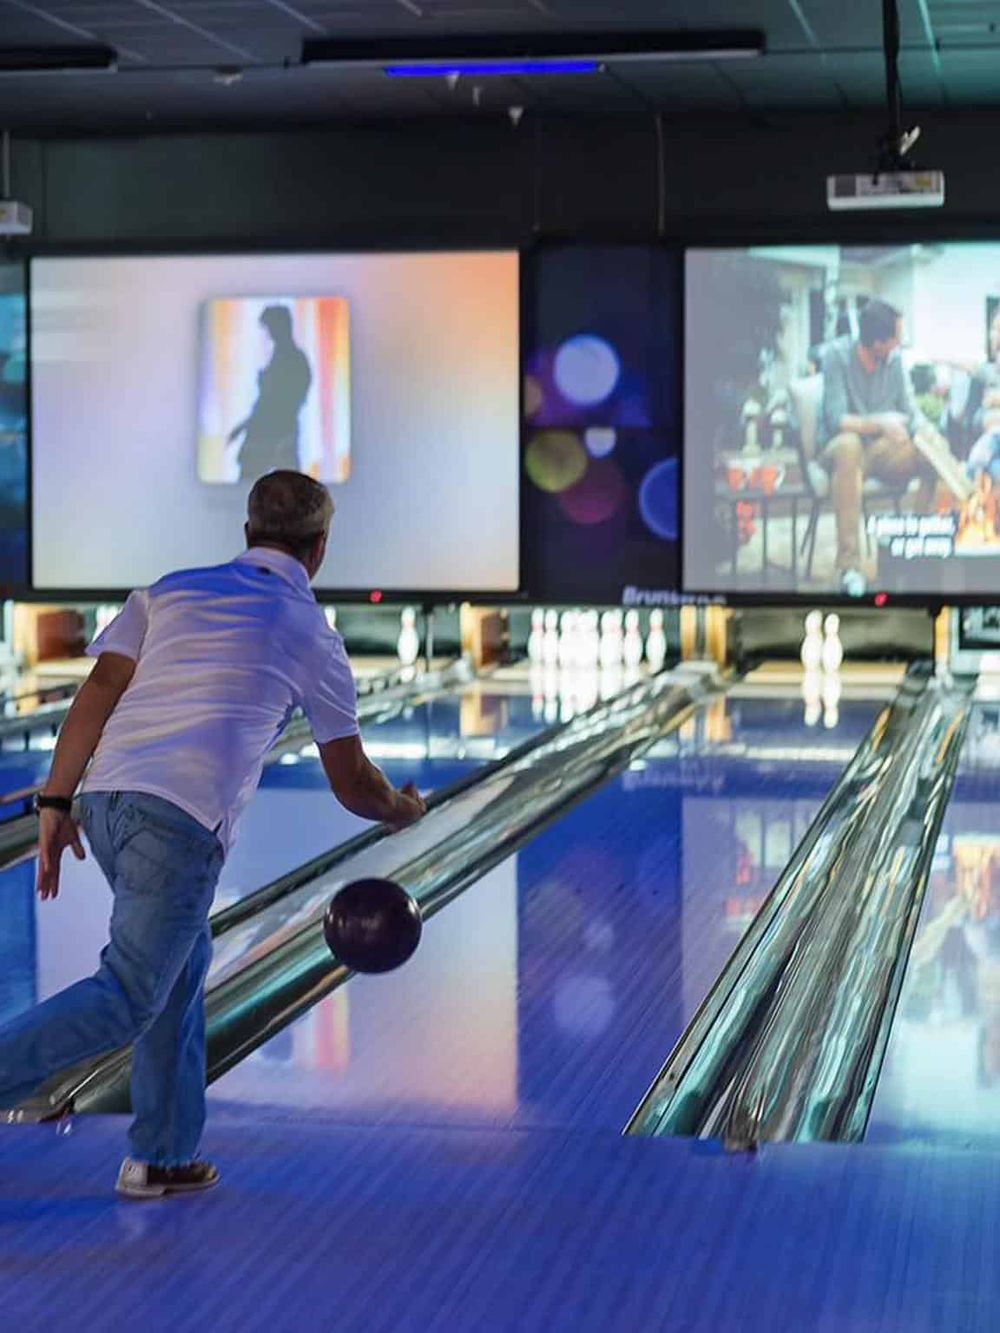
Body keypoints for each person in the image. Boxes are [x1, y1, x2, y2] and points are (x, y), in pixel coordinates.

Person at [0, 471, 426, 1199]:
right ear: (319, 549)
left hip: (105, 801)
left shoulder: (169, 590)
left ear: (246, 534)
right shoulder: (310, 632)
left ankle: (162, 1154)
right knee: (131, 992)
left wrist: (56, 798)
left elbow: (97, 691)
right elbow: (352, 778)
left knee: (181, 968)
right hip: (178, 820)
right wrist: (401, 810)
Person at [820, 299, 939, 597]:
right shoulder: (835, 356)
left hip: (883, 453)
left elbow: (912, 413)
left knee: (931, 449)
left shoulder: (895, 361)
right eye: (895, 338)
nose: (900, 344)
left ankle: (915, 544)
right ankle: (849, 568)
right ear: (876, 342)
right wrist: (881, 422)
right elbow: (836, 419)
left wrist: (926, 432)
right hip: (843, 449)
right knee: (848, 446)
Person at [228, 306, 312, 480]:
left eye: (271, 327)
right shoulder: (283, 357)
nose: (269, 333)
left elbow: (276, 403)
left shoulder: (293, 360)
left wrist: (245, 427)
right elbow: (266, 402)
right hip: (269, 433)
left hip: (275, 435)